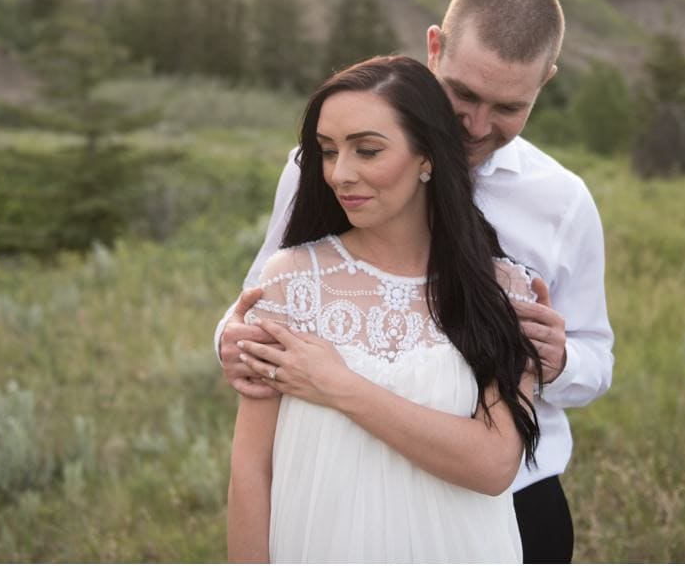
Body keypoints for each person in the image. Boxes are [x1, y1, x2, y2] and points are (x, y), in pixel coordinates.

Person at [217, 0, 614, 562]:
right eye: (465, 94)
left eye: (509, 106)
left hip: (510, 502)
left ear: (545, 83)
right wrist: (233, 339)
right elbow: (267, 298)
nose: (478, 126)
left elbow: (595, 357)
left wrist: (559, 361)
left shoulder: (561, 203)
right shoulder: (322, 169)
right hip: (335, 502)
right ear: (435, 47)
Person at [227, 55, 543, 562]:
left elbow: (493, 465)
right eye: (328, 152)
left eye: (367, 151)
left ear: (427, 158)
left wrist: (339, 385)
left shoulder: (500, 288)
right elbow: (250, 468)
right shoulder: (292, 281)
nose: (340, 174)